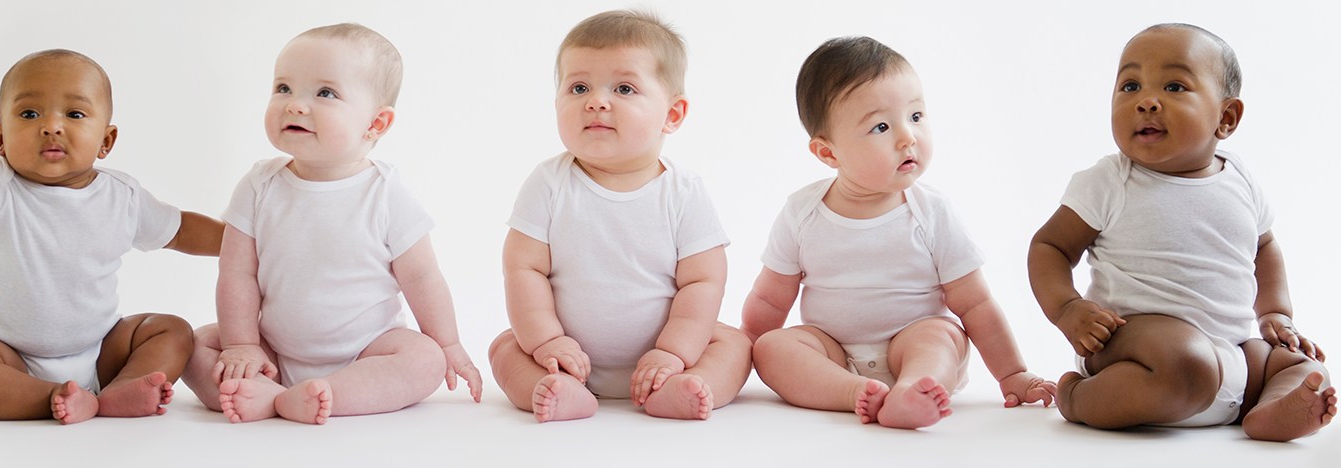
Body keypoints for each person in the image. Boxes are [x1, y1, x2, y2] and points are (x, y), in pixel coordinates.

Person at [1028, 23, 1336, 441]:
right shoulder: (1110, 181)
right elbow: (1049, 247)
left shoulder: (1240, 179)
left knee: (1303, 364)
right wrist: (1067, 309)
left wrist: (1276, 314)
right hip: (1135, 351)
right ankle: (1079, 397)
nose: (1146, 102)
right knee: (1186, 360)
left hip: (1230, 356)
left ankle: (1270, 411)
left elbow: (1264, 246)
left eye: (1174, 87)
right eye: (1130, 85)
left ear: (1225, 118)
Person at [742, 36, 1054, 430]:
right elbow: (770, 298)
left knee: (941, 335)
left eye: (917, 116)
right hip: (831, 353)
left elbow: (975, 304)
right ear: (828, 153)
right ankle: (854, 393)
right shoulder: (802, 213)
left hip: (912, 345)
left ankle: (912, 391)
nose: (908, 137)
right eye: (882, 126)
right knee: (774, 348)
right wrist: (745, 348)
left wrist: (1012, 374)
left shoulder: (931, 213)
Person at [181, 23, 482, 425]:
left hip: (367, 350)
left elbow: (423, 277)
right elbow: (236, 273)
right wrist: (241, 345)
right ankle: (273, 394)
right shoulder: (259, 185)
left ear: (376, 124)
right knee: (194, 344)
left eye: (325, 93)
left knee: (423, 359)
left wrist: (448, 343)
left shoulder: (385, 193)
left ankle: (329, 394)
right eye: (283, 88)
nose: (295, 105)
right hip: (272, 348)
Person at [0, 50, 223, 424]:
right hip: (7, 357)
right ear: (0, 139)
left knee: (171, 329)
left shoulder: (122, 196)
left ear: (106, 140)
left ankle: (126, 387)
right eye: (29, 114)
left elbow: (180, 229)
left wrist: (246, 241)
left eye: (74, 114)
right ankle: (50, 397)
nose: (51, 126)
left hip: (102, 349)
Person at [487, 9, 752, 422]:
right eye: (578, 87)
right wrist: (546, 341)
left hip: (667, 358)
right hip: (567, 356)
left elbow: (704, 279)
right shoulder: (549, 183)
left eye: (624, 88)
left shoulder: (683, 191)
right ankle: (559, 391)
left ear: (673, 115)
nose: (596, 101)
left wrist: (674, 351)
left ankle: (681, 390)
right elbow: (522, 269)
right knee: (506, 347)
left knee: (734, 346)